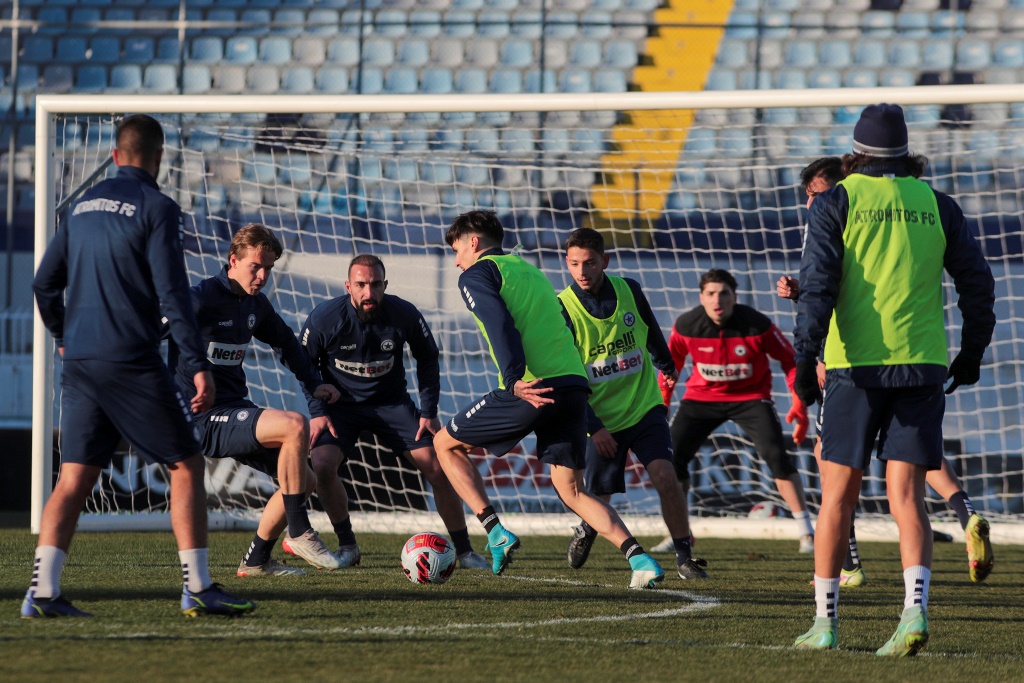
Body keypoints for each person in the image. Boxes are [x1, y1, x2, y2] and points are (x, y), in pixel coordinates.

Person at [27, 114, 254, 617]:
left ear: (113, 155)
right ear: (158, 159)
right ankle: (197, 586)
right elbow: (174, 295)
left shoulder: (80, 208)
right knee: (187, 463)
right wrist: (197, 364)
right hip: (130, 359)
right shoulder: (157, 206)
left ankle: (42, 593)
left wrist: (64, 336)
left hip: (81, 361)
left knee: (73, 479)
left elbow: (44, 284)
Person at [791, 104, 995, 655]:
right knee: (907, 495)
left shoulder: (837, 201)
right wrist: (971, 353)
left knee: (837, 497)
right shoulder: (937, 204)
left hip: (855, 367)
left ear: (854, 152)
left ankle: (825, 623)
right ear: (905, 153)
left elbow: (817, 290)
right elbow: (978, 283)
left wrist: (803, 365)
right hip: (923, 365)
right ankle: (913, 614)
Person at [432, 210, 665, 589]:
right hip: (573, 385)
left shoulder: (477, 273)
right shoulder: (528, 269)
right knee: (571, 489)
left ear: (473, 242)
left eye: (457, 249)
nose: (456, 259)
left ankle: (494, 532)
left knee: (444, 444)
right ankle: (641, 560)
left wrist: (512, 380)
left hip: (533, 386)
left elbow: (498, 323)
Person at [172, 223, 344, 577]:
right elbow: (150, 333)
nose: (263, 275)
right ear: (233, 260)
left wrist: (314, 383)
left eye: (268, 268)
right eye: (256, 266)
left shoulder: (255, 305)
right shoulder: (199, 298)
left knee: (304, 481)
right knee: (295, 424)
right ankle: (299, 531)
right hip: (199, 417)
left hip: (235, 409)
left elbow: (287, 344)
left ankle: (257, 560)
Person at [299, 254, 489, 570]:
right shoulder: (324, 318)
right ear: (349, 286)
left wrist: (428, 411)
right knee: (321, 464)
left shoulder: (403, 313)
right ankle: (348, 546)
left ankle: (465, 551)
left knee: (438, 465)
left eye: (375, 284)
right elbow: (305, 364)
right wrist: (318, 410)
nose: (368, 292)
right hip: (341, 409)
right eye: (360, 285)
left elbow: (428, 356)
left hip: (392, 405)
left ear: (385, 285)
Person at [556, 228, 707, 580]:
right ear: (567, 263)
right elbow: (568, 377)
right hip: (601, 419)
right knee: (600, 494)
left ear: (605, 261)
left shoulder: (629, 290)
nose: (582, 271)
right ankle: (587, 528)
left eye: (590, 263)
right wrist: (595, 427)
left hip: (643, 408)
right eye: (575, 263)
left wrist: (666, 364)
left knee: (665, 476)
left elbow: (651, 330)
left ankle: (684, 557)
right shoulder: (562, 307)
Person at [660, 269, 815, 553]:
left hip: (750, 397)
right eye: (710, 294)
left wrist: (798, 402)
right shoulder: (686, 325)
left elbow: (790, 361)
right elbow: (671, 366)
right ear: (701, 298)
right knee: (670, 459)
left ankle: (807, 533)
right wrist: (663, 404)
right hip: (701, 398)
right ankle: (680, 534)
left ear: (735, 297)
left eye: (724, 294)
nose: (717, 300)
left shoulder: (758, 325)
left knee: (776, 455)